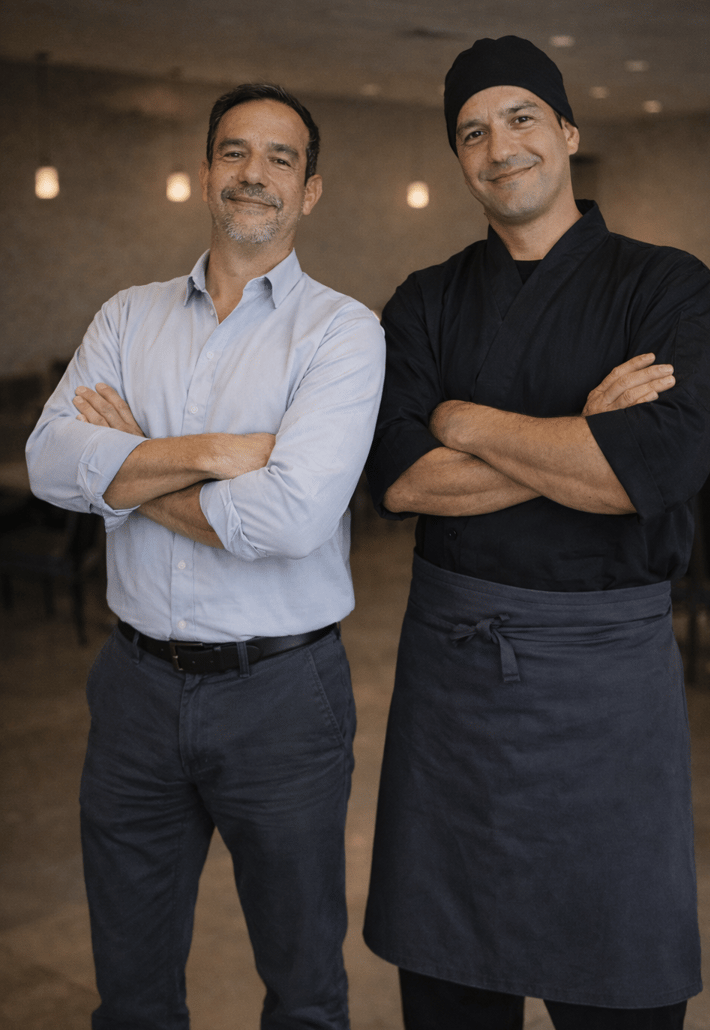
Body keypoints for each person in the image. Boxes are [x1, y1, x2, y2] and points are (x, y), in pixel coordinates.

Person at [363, 36, 710, 1030]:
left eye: (522, 117)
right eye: (472, 131)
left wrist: (464, 421)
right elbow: (398, 484)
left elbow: (647, 475)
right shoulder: (426, 301)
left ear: (567, 130)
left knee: (622, 985)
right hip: (454, 696)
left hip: (607, 694)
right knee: (450, 990)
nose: (499, 145)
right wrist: (584, 433)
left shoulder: (667, 285)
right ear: (458, 158)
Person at [26, 83, 384, 1030]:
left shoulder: (343, 335)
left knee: (304, 989)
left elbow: (293, 519)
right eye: (235, 152)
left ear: (311, 189)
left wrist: (130, 465)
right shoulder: (128, 317)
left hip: (282, 698)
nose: (253, 174)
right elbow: (47, 462)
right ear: (205, 173)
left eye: (280, 158)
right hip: (135, 692)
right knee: (132, 993)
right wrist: (218, 453)